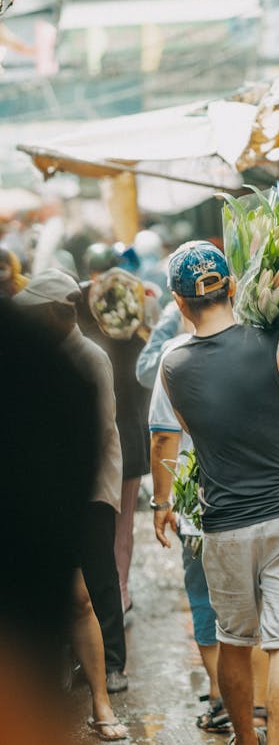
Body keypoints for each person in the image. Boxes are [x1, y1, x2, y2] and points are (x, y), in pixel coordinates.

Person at [157, 241, 279, 745]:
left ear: (178, 302)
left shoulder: (172, 368)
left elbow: (185, 426)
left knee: (234, 640)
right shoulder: (278, 345)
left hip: (224, 525)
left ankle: (244, 738)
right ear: (233, 288)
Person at [0, 297, 126, 743]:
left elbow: (90, 430)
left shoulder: (62, 361)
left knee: (81, 599)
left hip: (42, 512)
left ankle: (100, 702)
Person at [149, 326, 269, 734]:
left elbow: (165, 435)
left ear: (180, 304)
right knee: (258, 607)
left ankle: (222, 702)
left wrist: (162, 503)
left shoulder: (175, 355)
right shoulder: (263, 341)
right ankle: (259, 708)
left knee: (207, 602)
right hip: (261, 501)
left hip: (202, 508)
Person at [80, 246, 152, 642]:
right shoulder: (136, 329)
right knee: (121, 527)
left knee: (108, 526)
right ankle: (120, 593)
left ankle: (113, 595)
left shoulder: (85, 328)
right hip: (129, 438)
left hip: (111, 440)